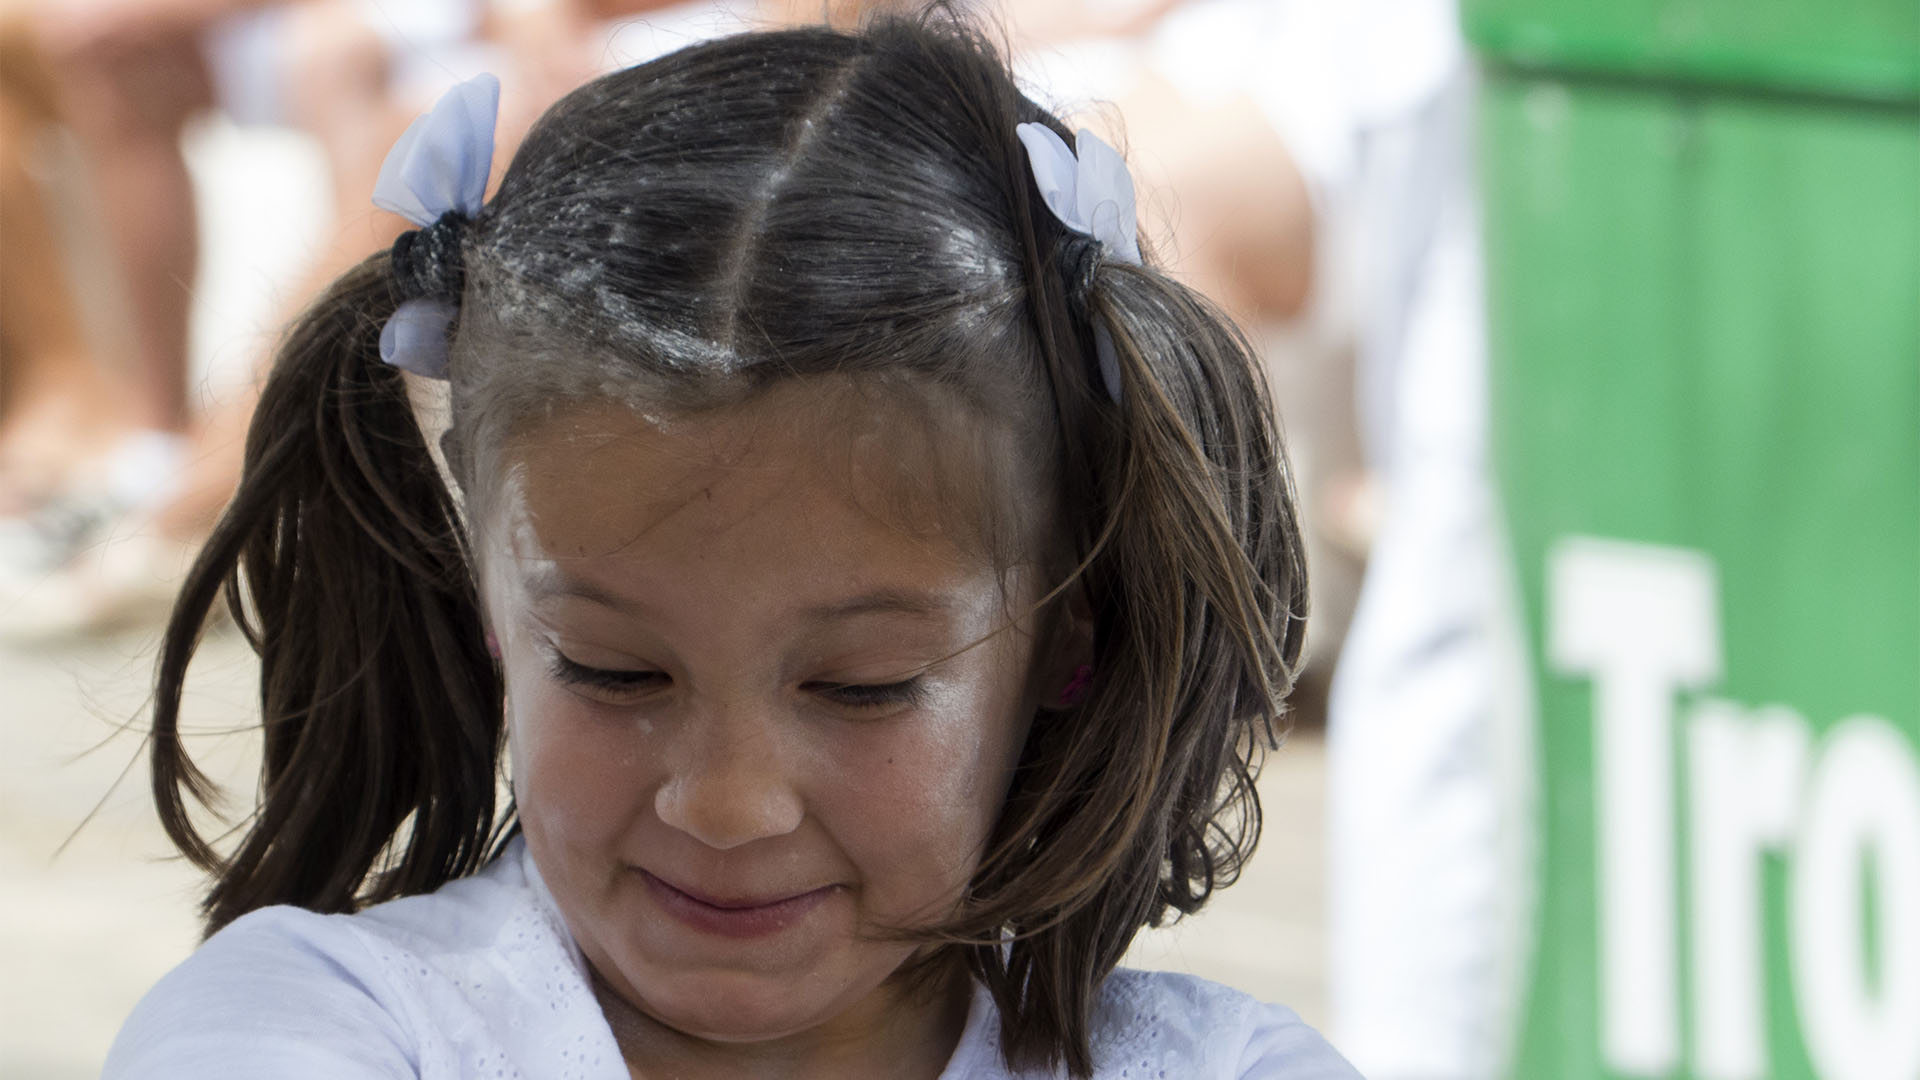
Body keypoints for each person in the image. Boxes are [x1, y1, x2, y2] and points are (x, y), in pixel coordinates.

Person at [104, 15, 1358, 1079]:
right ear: (489, 601)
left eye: (862, 687)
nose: (726, 802)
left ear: (1066, 635)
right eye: (610, 668)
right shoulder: (311, 1028)